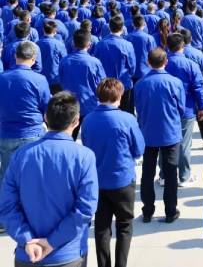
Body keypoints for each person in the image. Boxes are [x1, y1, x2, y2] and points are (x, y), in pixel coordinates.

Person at [0, 92, 98, 267]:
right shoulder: (84, 156)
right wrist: (52, 242)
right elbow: (85, 209)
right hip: (68, 255)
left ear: (45, 117)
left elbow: (7, 206)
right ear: (76, 121)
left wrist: (27, 240)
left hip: (28, 254)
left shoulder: (21, 155)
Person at [81, 78, 145, 267]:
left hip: (98, 180)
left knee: (101, 227)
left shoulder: (88, 120)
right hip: (122, 179)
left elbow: (86, 144)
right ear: (119, 96)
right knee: (124, 226)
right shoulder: (127, 119)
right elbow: (139, 149)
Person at [0, 41, 51, 233]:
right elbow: (46, 107)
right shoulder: (39, 79)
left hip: (7, 133)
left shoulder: (3, 78)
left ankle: (4, 219)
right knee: (33, 176)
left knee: (7, 177)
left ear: (15, 56)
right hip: (32, 134)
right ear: (34, 58)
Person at [135, 48, 185, 224]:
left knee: (147, 172)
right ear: (166, 62)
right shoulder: (175, 82)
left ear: (148, 62)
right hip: (170, 132)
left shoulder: (140, 84)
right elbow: (181, 109)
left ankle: (147, 211)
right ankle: (170, 211)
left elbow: (138, 107)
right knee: (171, 173)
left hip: (148, 132)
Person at [164, 33, 203, 187]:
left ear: (167, 45)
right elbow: (198, 88)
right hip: (186, 108)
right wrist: (201, 106)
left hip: (165, 109)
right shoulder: (191, 65)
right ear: (183, 45)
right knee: (184, 144)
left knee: (165, 143)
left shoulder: (163, 63)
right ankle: (184, 176)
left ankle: (164, 175)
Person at [59, 29, 107, 140]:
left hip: (70, 104)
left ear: (73, 43)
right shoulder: (95, 62)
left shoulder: (64, 61)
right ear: (89, 44)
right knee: (91, 138)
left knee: (69, 137)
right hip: (90, 105)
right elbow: (102, 83)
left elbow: (61, 80)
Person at [94, 17, 136, 113]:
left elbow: (96, 65)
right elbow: (132, 67)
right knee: (126, 112)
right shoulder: (127, 45)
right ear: (122, 28)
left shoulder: (100, 44)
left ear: (109, 27)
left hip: (106, 86)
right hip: (123, 84)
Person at [37, 20, 67, 94]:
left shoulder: (37, 44)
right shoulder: (59, 44)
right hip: (55, 77)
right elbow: (64, 61)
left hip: (40, 77)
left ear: (43, 30)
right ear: (55, 31)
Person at [125, 15, 156, 84]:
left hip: (130, 73)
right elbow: (153, 55)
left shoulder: (127, 37)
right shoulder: (149, 38)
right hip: (145, 71)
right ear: (144, 24)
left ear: (133, 24)